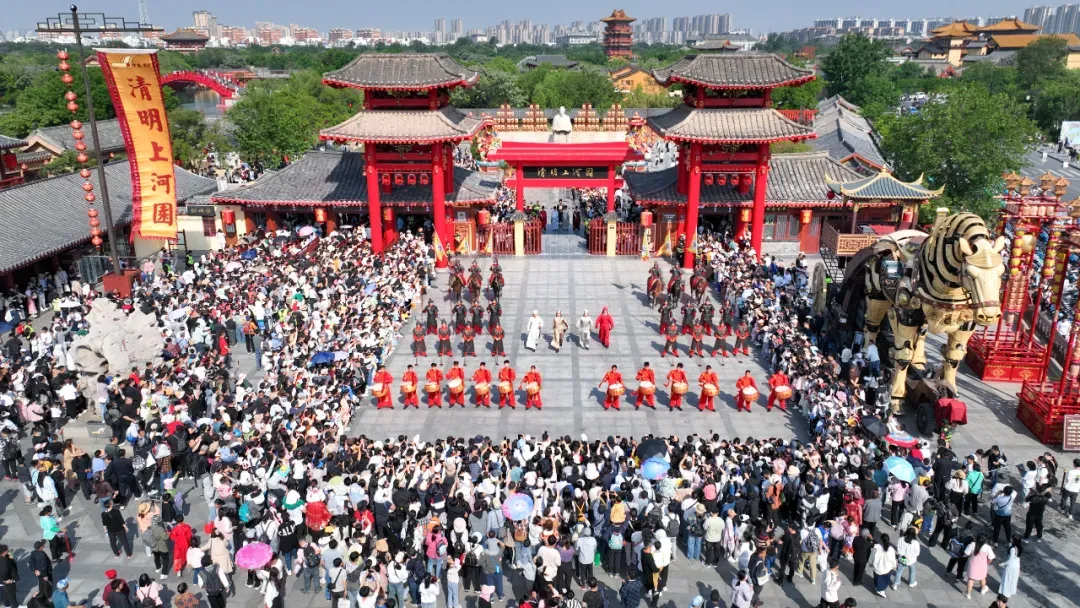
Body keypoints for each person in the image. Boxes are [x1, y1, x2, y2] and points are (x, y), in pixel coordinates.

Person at [964, 534, 996, 599]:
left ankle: (968, 594)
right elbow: (991, 558)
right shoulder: (987, 547)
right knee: (982, 578)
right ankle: (983, 589)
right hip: (982, 565)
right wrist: (987, 563)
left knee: (971, 579)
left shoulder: (972, 545)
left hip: (973, 565)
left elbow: (966, 553)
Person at [869, 533, 897, 598]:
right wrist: (894, 565)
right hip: (886, 568)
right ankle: (880, 590)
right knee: (884, 580)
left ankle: (877, 586)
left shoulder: (876, 547)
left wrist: (870, 562)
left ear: (881, 540)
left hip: (877, 567)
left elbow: (872, 556)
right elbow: (893, 559)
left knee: (876, 578)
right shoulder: (891, 550)